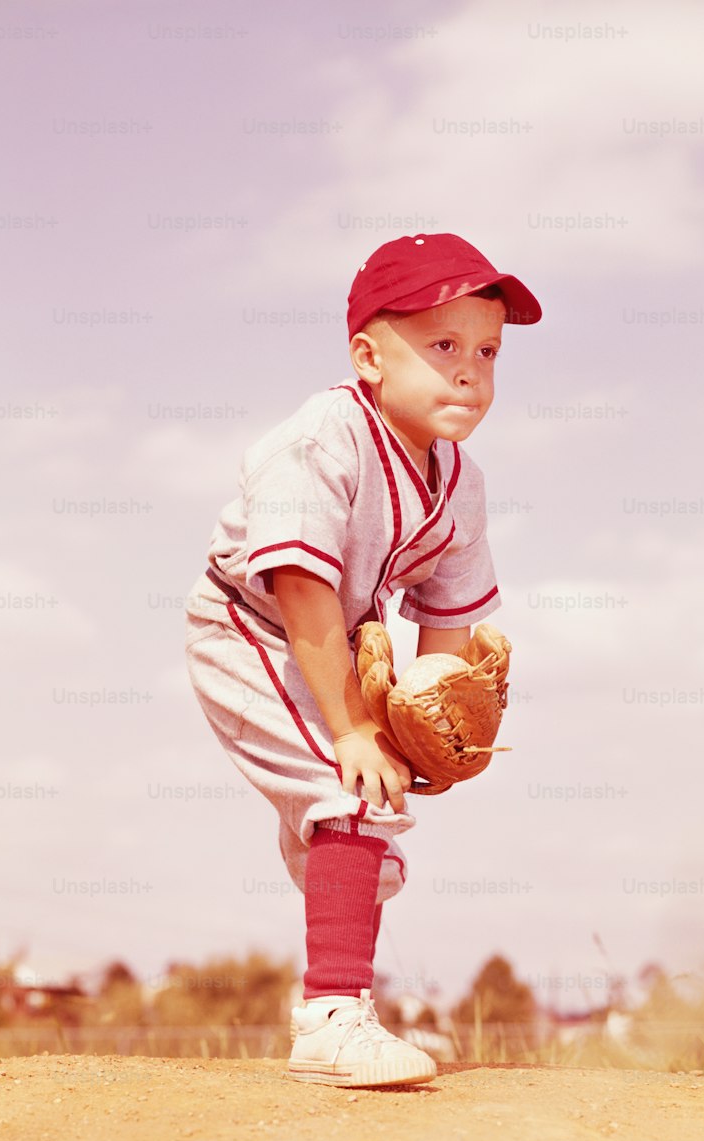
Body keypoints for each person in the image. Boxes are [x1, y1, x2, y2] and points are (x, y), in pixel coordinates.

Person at [185, 233, 541, 1087]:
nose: (469, 372)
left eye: (487, 350)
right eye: (443, 345)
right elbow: (300, 585)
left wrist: (430, 723)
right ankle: (333, 1014)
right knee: (351, 788)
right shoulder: (322, 437)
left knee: (362, 835)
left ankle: (337, 986)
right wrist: (351, 727)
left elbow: (445, 637)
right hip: (255, 624)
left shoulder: (461, 480)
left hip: (333, 644)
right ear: (368, 357)